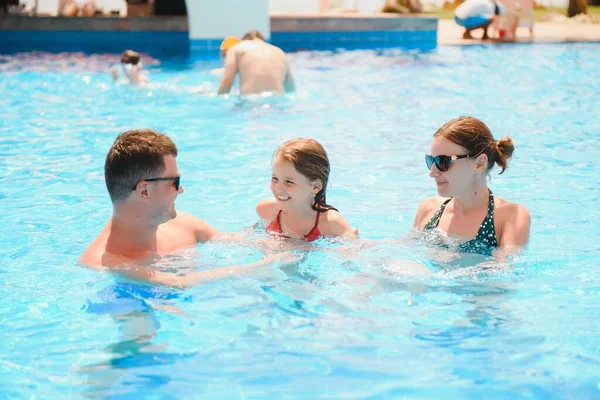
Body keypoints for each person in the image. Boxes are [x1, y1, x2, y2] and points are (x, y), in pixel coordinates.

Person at [81, 129, 295, 287]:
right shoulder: (106, 264)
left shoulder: (185, 225)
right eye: (175, 181)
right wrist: (266, 265)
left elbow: (243, 242)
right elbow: (178, 283)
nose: (181, 190)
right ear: (144, 191)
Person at [413, 116, 531, 255]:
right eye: (431, 160)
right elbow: (406, 250)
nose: (432, 172)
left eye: (442, 161)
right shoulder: (428, 209)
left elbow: (504, 270)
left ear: (480, 163)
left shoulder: (510, 216)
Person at [256, 138, 357, 242]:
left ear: (315, 187)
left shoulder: (331, 223)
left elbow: (355, 249)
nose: (278, 188)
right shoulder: (267, 210)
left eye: (289, 182)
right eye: (275, 178)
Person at [218, 30, 295, 95]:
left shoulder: (236, 48)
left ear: (245, 40)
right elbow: (291, 89)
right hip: (277, 100)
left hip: (251, 101)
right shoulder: (280, 52)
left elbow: (226, 81)